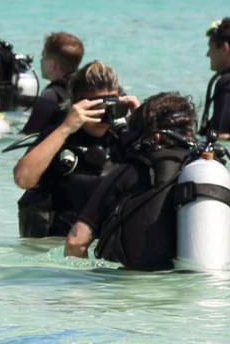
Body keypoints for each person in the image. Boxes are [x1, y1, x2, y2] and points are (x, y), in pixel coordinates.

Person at [63, 93, 230, 270]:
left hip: (144, 298)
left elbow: (76, 242)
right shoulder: (214, 171)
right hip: (220, 297)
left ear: (154, 136)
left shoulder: (128, 173)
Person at [12, 61, 137, 238]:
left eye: (110, 107)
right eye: (96, 108)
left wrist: (141, 124)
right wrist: (66, 127)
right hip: (58, 246)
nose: (104, 116)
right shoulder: (57, 137)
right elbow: (22, 179)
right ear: (77, 105)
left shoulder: (124, 138)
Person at [17, 32, 86, 136]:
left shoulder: (50, 97)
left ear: (52, 65)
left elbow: (27, 136)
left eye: (43, 57)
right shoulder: (87, 87)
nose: (40, 61)